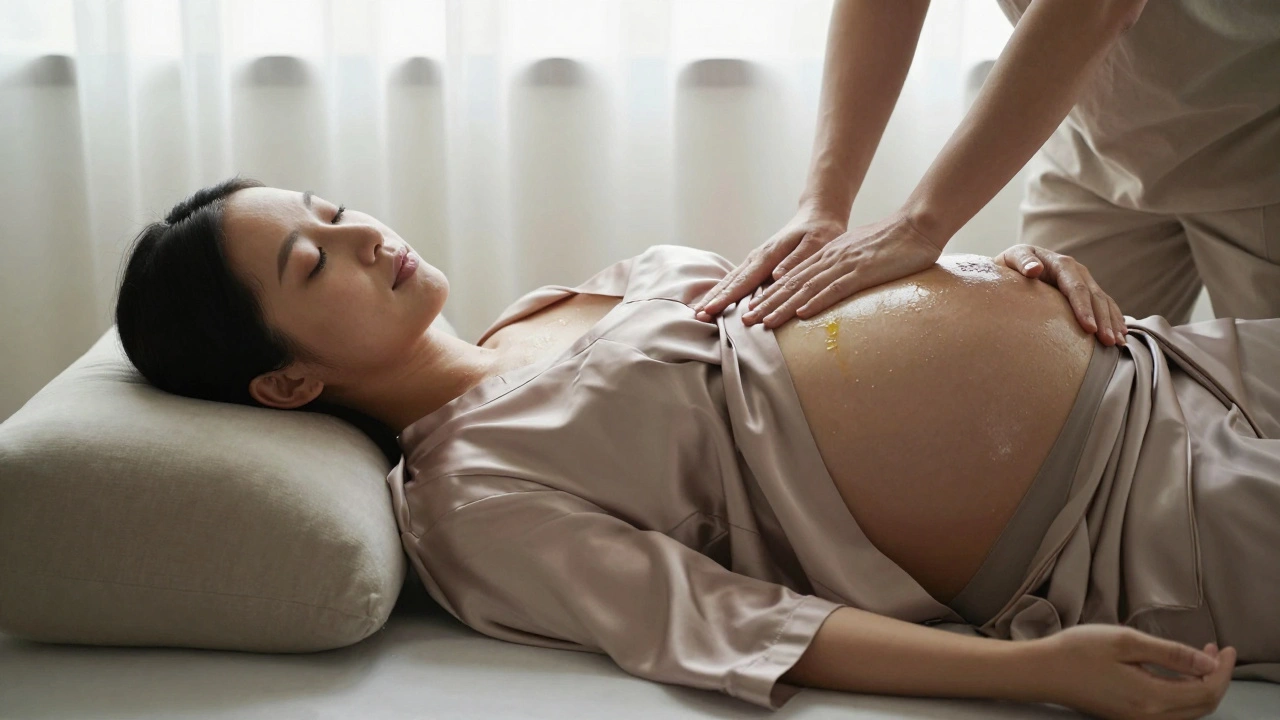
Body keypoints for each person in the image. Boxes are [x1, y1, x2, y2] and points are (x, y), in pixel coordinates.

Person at [114, 178, 1280, 719]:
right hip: (1128, 514)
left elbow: (826, 310)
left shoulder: (544, 307)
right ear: (285, 381)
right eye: (312, 263)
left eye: (326, 209)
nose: (361, 232)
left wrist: (1014, 278)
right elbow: (724, 623)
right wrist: (1033, 674)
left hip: (1167, 360)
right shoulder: (467, 500)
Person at [693, 0, 1280, 332]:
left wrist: (919, 225)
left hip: (1259, 151)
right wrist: (823, 202)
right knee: (1063, 392)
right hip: (1094, 149)